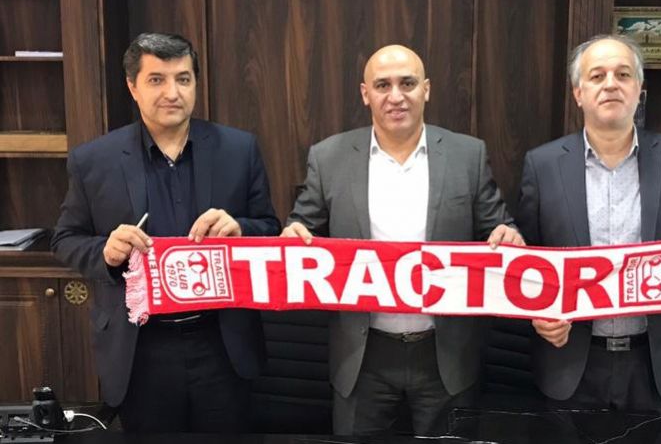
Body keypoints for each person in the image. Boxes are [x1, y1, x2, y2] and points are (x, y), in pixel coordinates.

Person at [281, 44, 523, 435]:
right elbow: (301, 229)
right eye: (383, 85)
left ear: (426, 89)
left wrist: (508, 236)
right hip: (363, 355)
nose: (396, 96)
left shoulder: (467, 155)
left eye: (407, 83)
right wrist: (292, 236)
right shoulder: (329, 157)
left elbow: (499, 229)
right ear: (366, 94)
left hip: (444, 354)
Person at [51, 33, 281, 432]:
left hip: (221, 342)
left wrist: (240, 228)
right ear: (132, 87)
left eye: (183, 79)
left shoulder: (238, 149)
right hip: (140, 348)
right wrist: (105, 251)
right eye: (156, 79)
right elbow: (65, 239)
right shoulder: (94, 160)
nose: (172, 93)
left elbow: (270, 230)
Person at [516, 34, 661, 426]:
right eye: (597, 76)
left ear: (639, 89)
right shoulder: (542, 165)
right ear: (578, 93)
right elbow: (524, 266)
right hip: (569, 365)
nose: (611, 84)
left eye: (623, 74)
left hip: (652, 365)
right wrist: (538, 315)